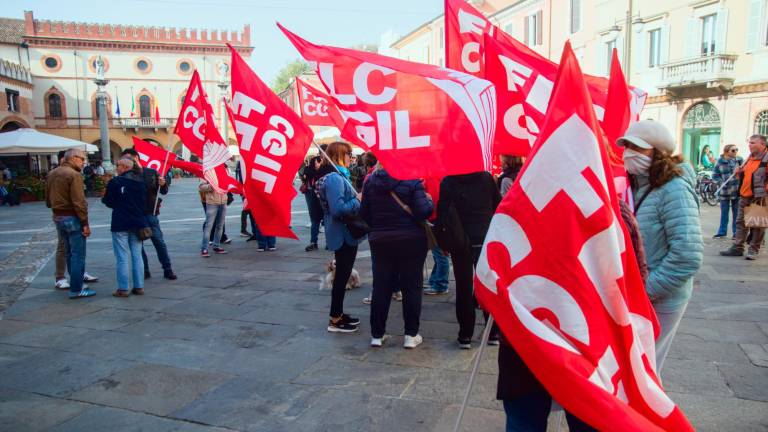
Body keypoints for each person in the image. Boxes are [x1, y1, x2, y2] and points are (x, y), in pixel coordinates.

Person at [618, 120, 703, 372]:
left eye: (638, 148)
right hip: (640, 294)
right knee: (635, 368)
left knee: (645, 370)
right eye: (627, 146)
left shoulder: (674, 189)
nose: (629, 153)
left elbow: (687, 256)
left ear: (659, 153)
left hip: (661, 298)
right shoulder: (635, 186)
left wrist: (645, 290)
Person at [360, 165, 433, 348]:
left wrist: (378, 226)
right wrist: (429, 201)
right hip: (411, 240)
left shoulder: (370, 183)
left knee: (381, 286)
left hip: (380, 240)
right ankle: (410, 335)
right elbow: (424, 212)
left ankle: (377, 335)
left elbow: (364, 214)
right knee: (412, 287)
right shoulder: (413, 181)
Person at [438, 171, 501, 348]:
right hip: (485, 237)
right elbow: (499, 206)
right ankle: (493, 332)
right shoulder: (486, 178)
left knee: (463, 287)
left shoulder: (449, 180)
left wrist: (443, 242)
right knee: (488, 284)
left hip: (460, 240)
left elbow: (442, 214)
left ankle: (465, 334)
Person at [315, 141, 362, 333]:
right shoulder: (334, 178)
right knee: (341, 276)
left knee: (343, 275)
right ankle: (335, 319)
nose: (352, 157)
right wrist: (358, 200)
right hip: (342, 232)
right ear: (339, 155)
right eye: (349, 154)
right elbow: (338, 209)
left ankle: (339, 314)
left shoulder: (338, 176)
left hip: (344, 232)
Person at [45, 148, 96, 299]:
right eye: (82, 159)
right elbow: (79, 202)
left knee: (68, 252)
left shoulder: (52, 173)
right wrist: (85, 223)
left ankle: (76, 283)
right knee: (78, 255)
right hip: (72, 217)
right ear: (73, 158)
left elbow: (47, 200)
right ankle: (76, 288)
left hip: (58, 216)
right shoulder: (74, 175)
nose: (83, 162)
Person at [121, 148, 177, 280]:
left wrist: (163, 184)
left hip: (150, 214)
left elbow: (163, 191)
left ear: (136, 158)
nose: (126, 162)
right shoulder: (127, 175)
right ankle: (144, 269)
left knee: (159, 242)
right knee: (138, 245)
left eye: (128, 159)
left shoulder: (151, 172)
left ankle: (167, 269)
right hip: (135, 215)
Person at [102, 158, 147, 297]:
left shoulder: (116, 182)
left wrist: (118, 204)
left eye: (118, 166)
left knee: (122, 256)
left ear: (124, 167)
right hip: (138, 222)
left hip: (120, 221)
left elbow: (108, 201)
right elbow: (145, 202)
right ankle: (139, 286)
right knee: (137, 255)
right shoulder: (141, 182)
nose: (116, 168)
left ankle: (123, 288)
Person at [720, 134, 768, 260]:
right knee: (741, 222)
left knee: (757, 224)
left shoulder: (766, 158)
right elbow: (747, 174)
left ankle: (753, 250)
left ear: (762, 144)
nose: (749, 145)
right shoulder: (749, 158)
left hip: (758, 196)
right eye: (749, 142)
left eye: (753, 143)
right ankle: (737, 247)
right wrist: (739, 172)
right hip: (744, 195)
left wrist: (764, 191)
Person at [301, 145, 332, 252]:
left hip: (325, 195)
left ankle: (329, 242)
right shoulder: (314, 160)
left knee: (326, 219)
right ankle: (313, 242)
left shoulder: (330, 164)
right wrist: (316, 171)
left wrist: (317, 170)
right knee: (314, 219)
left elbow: (328, 175)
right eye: (323, 152)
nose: (325, 154)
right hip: (312, 194)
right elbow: (306, 173)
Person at [712, 144, 744, 239]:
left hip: (736, 191)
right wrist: (721, 182)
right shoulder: (720, 161)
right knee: (724, 213)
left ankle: (736, 233)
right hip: (724, 192)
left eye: (736, 150)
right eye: (733, 150)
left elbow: (744, 174)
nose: (735, 152)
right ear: (726, 151)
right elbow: (714, 175)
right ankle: (722, 232)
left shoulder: (739, 160)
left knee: (737, 214)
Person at [199, 179, 228, 257]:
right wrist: (211, 186)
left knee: (220, 226)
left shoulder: (224, 172)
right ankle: (204, 248)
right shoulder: (208, 172)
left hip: (223, 202)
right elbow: (201, 187)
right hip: (212, 203)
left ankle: (216, 245)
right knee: (209, 226)